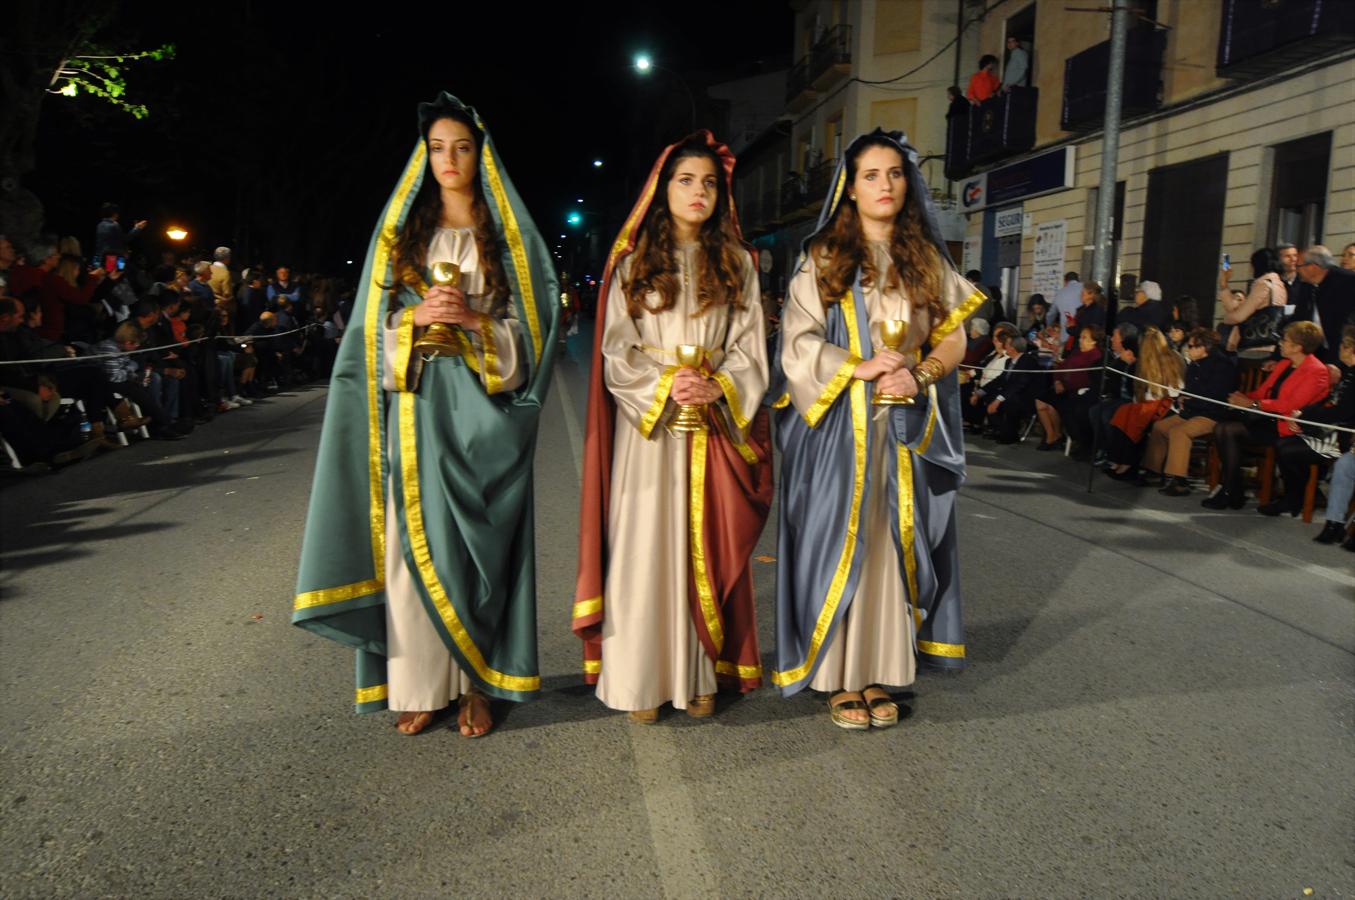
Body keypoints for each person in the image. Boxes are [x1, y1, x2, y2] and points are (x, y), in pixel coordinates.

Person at [292, 92, 558, 737]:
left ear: (480, 155)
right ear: (424, 155)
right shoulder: (399, 238)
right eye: (437, 147)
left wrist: (473, 321)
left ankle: (475, 685)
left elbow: (535, 331)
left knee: (477, 557)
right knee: (412, 555)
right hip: (414, 414)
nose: (449, 159)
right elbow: (362, 334)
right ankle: (419, 686)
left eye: (461, 147)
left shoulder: (508, 239)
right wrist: (412, 318)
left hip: (482, 414)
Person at [774, 129, 982, 729]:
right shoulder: (823, 260)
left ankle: (879, 668)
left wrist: (922, 375)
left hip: (905, 428)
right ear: (850, 188)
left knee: (893, 544)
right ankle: (840, 674)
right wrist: (856, 366)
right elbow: (796, 344)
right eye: (871, 175)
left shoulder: (927, 259)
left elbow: (954, 335)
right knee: (842, 542)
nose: (885, 185)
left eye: (894, 174)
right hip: (839, 427)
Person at [571, 133, 770, 724]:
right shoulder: (632, 265)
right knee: (645, 549)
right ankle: (641, 677)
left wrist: (718, 385)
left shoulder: (739, 264)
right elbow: (616, 350)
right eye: (686, 180)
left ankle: (696, 672)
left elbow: (751, 350)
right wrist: (666, 387)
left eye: (709, 182)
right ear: (663, 190)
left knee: (697, 546)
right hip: (648, 430)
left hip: (709, 420)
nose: (699, 192)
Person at [1204, 321, 1330, 510]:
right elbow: (1262, 392)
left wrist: (1253, 404)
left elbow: (1292, 405)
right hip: (1267, 419)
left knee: (1228, 429)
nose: (1280, 343)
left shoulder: (1317, 371)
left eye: (1285, 341)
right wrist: (1242, 398)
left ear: (1298, 347)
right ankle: (1232, 489)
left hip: (1289, 427)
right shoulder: (1284, 364)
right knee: (1223, 427)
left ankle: (1232, 491)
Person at [1267, 326, 1354, 517]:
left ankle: (1296, 497)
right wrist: (1301, 414)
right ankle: (1294, 497)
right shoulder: (1349, 373)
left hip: (1343, 439)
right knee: (1282, 444)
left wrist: (1303, 418)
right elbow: (1328, 403)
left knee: (1288, 449)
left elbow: (1340, 412)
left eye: (1343, 345)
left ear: (1351, 349)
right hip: (1330, 431)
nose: (1339, 347)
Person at [1144, 327, 1235, 496]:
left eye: (1192, 346)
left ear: (1204, 348)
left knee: (1179, 432)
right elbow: (1190, 389)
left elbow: (1216, 396)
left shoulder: (1222, 366)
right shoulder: (1195, 363)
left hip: (1212, 414)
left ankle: (1179, 481)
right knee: (1159, 427)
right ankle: (1154, 472)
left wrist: (1191, 399)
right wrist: (1182, 397)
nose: (1188, 349)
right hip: (1193, 411)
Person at [1104, 326, 1185, 481]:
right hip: (1148, 403)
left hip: (1166, 404)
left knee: (1134, 416)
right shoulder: (1143, 364)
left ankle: (1128, 463)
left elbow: (1175, 390)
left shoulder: (1172, 359)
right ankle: (1118, 460)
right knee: (1123, 412)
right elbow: (1139, 392)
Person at [1035, 324, 1103, 450]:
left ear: (1093, 341)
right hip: (1062, 386)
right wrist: (1057, 381)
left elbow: (1085, 379)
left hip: (1075, 391)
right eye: (1080, 337)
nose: (1080, 340)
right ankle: (1052, 434)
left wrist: (1065, 385)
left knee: (1052, 405)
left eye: (1084, 338)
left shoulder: (1095, 356)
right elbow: (1061, 368)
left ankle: (1058, 435)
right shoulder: (1077, 352)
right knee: (1040, 401)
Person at [1218, 248, 1286, 354]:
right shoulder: (1279, 284)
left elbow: (1239, 316)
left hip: (1257, 346)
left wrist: (1226, 319)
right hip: (1271, 343)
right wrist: (1224, 284)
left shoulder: (1263, 284)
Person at [1295, 245, 1355, 364]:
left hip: (1345, 353)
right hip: (1317, 353)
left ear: (1314, 267)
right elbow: (1298, 319)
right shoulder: (1306, 285)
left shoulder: (1348, 281)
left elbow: (1347, 323)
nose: (1296, 270)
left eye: (1299, 266)